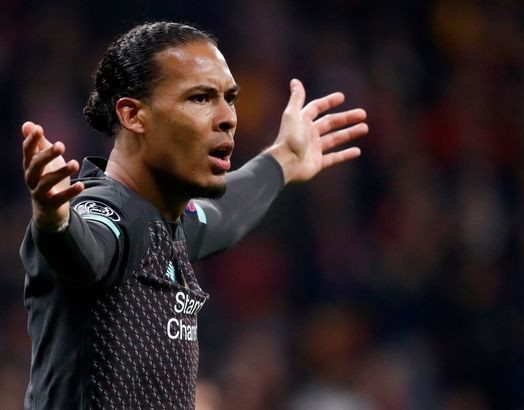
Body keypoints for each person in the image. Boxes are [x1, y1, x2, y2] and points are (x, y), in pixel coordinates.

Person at [19, 21, 367, 409]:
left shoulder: (167, 222)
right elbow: (89, 251)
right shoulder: (107, 212)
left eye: (229, 98)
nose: (228, 117)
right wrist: (56, 221)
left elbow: (225, 214)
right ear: (134, 115)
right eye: (200, 98)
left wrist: (284, 159)